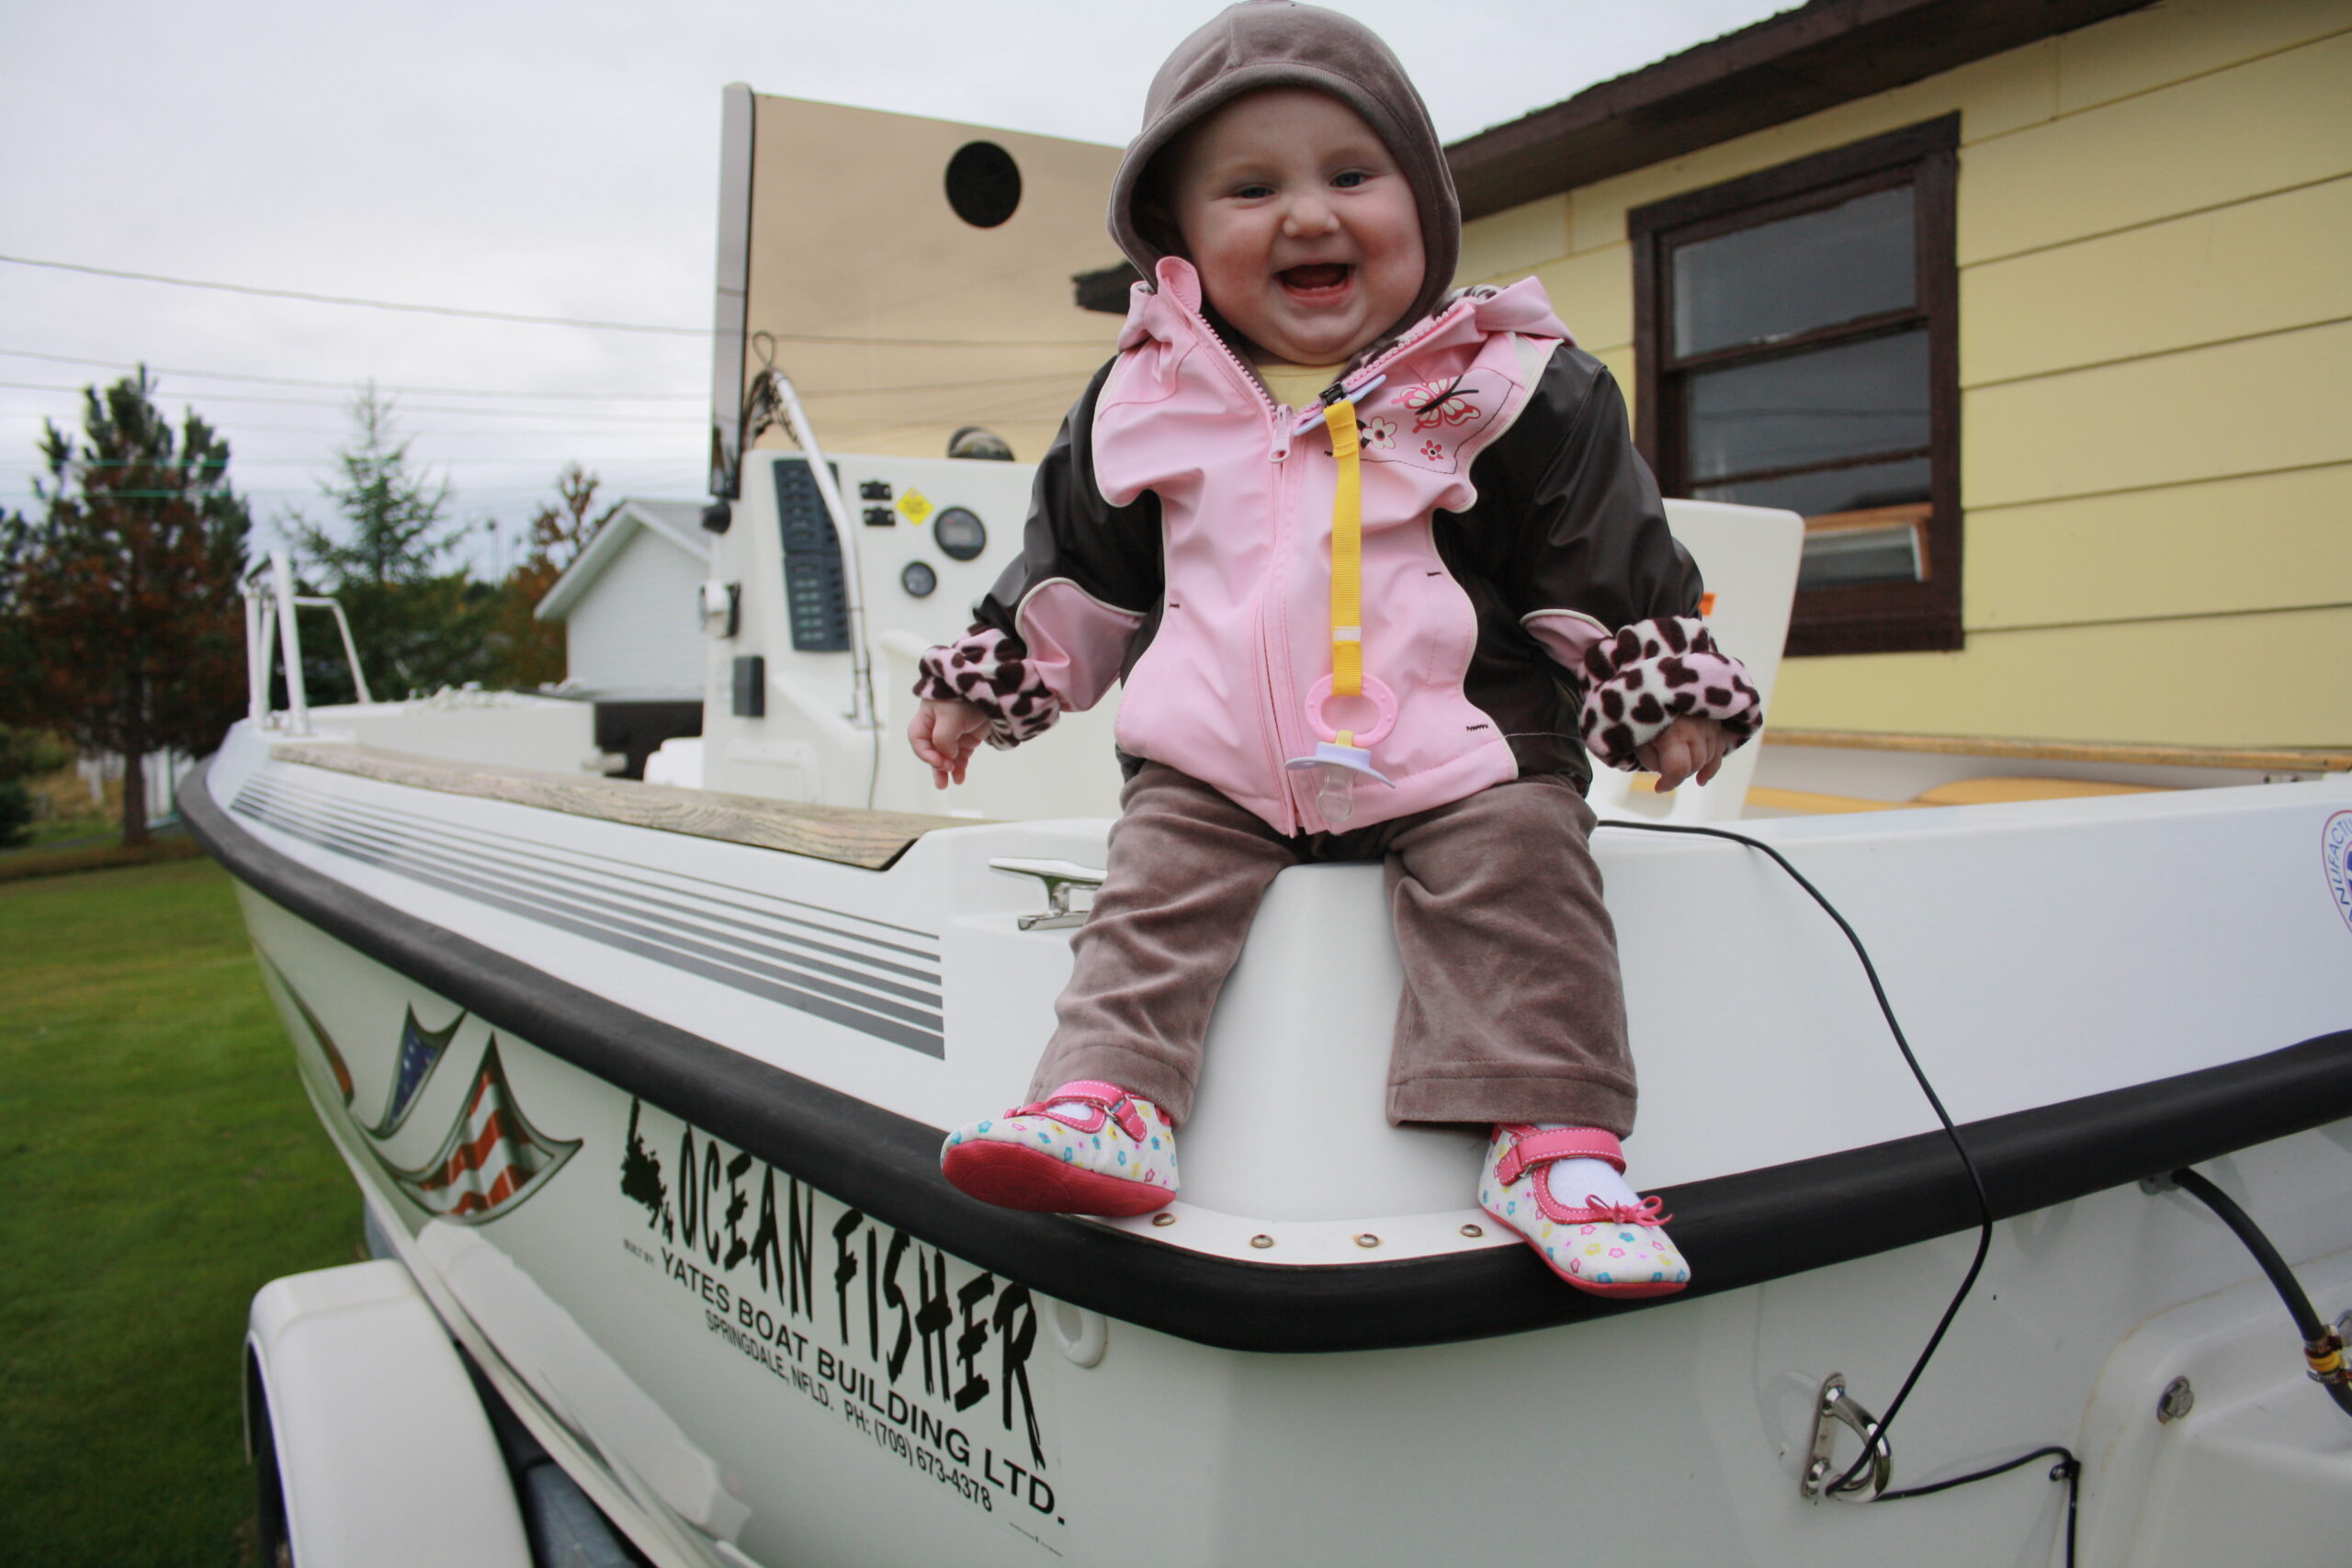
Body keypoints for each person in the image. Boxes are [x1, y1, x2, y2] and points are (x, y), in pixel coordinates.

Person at [910, 0, 1759, 1297]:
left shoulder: (1502, 382)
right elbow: (1081, 570)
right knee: (1148, 892)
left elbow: (1597, 554)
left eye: (1352, 176)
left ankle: (1556, 1143)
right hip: (1220, 766)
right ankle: (1105, 1103)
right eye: (1250, 189)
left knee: (1528, 876)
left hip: (1456, 753)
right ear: (1179, 240)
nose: (1308, 215)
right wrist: (993, 684)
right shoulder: (1148, 393)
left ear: (1422, 207)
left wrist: (1652, 695)